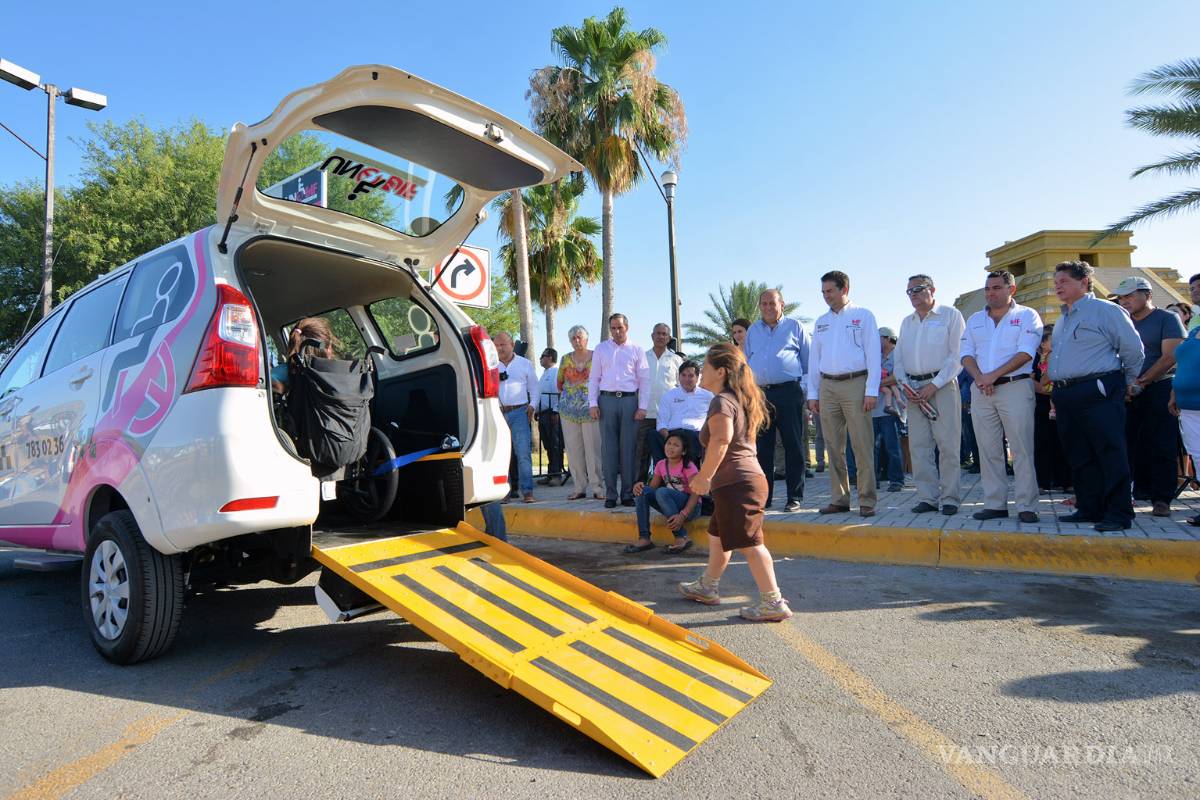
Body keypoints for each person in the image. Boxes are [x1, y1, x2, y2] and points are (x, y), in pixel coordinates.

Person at [678, 343, 792, 622]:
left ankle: (772, 602)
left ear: (720, 371)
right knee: (717, 537)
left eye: (704, 367)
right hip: (740, 482)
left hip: (737, 483)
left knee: (751, 544)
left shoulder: (722, 401)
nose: (700, 372)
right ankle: (708, 586)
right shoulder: (736, 399)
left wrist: (704, 477)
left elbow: (721, 440)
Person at [1047, 261, 1145, 531]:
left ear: (1084, 282)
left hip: (1098, 389)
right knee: (1079, 453)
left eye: (1064, 281)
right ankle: (1089, 507)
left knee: (1109, 451)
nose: (1058, 286)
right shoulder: (1063, 318)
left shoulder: (1106, 311)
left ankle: (1119, 513)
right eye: (1056, 281)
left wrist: (1126, 383)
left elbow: (1133, 350)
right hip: (1067, 393)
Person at [959, 271, 1043, 523]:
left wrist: (991, 376)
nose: (990, 292)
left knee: (1022, 449)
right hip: (982, 390)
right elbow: (965, 354)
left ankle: (1027, 505)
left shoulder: (1027, 316)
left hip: (1015, 387)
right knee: (988, 449)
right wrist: (980, 377)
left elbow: (1026, 353)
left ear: (1011, 290)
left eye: (996, 287)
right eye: (987, 288)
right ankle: (995, 504)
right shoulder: (974, 319)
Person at [807, 271, 881, 517]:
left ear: (844, 288)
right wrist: (813, 393)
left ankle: (867, 499)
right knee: (832, 445)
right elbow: (814, 359)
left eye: (830, 291)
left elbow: (873, 354)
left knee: (861, 443)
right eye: (823, 292)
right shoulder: (820, 322)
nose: (826, 296)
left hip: (856, 383)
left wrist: (871, 390)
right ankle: (839, 499)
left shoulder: (863, 316)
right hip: (827, 386)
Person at [894, 275, 966, 515]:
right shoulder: (907, 322)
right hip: (913, 391)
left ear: (932, 289)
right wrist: (905, 385)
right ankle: (927, 497)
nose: (913, 295)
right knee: (919, 446)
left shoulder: (950, 315)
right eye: (909, 292)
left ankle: (950, 498)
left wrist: (934, 385)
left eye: (918, 289)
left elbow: (958, 356)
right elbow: (899, 359)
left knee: (948, 445)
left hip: (942, 387)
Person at [1114, 276, 1185, 517]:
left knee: (1162, 444)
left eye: (1131, 295)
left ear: (1148, 294)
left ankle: (1162, 498)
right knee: (1128, 444)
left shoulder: (1167, 319)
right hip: (1127, 391)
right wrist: (1126, 386)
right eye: (1122, 297)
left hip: (1159, 388)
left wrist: (1141, 382)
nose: (1125, 301)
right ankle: (1134, 493)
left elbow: (1170, 356)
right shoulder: (1121, 321)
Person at [746, 289, 810, 511]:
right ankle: (764, 497)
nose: (767, 307)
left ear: (782, 304)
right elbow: (746, 361)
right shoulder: (753, 331)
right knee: (763, 449)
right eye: (763, 304)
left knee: (793, 445)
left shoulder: (795, 326)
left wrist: (805, 392)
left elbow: (807, 362)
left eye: (772, 303)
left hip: (789, 392)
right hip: (761, 395)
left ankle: (794, 497)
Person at [588, 313, 650, 508]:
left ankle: (627, 494)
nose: (616, 332)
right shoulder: (601, 349)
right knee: (608, 450)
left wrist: (642, 406)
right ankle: (611, 495)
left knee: (629, 449)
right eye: (613, 328)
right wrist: (593, 403)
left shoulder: (637, 350)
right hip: (606, 401)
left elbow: (644, 380)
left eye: (620, 328)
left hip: (629, 402)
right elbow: (594, 378)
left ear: (627, 328)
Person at [625, 433, 702, 555]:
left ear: (683, 451)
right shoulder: (661, 464)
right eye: (669, 444)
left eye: (676, 445)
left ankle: (681, 537)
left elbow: (696, 494)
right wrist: (639, 486)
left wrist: (683, 515)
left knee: (662, 492)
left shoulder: (689, 466)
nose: (670, 447)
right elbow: (652, 489)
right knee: (643, 492)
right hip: (671, 506)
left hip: (691, 508)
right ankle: (644, 538)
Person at [558, 325, 604, 501]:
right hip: (569, 411)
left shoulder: (597, 357)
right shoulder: (564, 359)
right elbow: (560, 383)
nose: (577, 341)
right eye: (573, 338)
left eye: (579, 337)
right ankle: (579, 487)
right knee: (573, 450)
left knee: (593, 450)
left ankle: (597, 487)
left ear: (586, 339)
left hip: (591, 409)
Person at [492, 332, 538, 503]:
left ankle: (528, 492)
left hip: (520, 412)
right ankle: (504, 492)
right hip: (498, 413)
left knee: (523, 453)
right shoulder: (491, 365)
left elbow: (534, 388)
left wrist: (532, 405)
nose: (500, 348)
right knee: (501, 455)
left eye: (503, 344)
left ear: (512, 344)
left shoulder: (525, 364)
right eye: (496, 345)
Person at [637, 323, 682, 479]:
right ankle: (640, 486)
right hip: (646, 414)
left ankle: (666, 484)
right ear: (652, 336)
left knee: (669, 453)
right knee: (641, 453)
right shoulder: (641, 358)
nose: (661, 336)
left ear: (669, 338)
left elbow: (682, 387)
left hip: (668, 417)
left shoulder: (676, 360)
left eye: (664, 334)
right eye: (658, 333)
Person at [1032, 326, 1071, 492]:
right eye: (1052, 340)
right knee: (1042, 443)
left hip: (1063, 401)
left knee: (1065, 442)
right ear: (1042, 343)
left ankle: (1067, 481)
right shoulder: (1034, 358)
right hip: (1042, 403)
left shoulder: (1064, 354)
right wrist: (1042, 388)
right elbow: (1031, 378)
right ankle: (1042, 482)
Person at [1168, 323, 1200, 525]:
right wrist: (1174, 392)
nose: (1194, 289)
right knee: (1197, 455)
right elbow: (1184, 364)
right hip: (1188, 406)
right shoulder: (1195, 331)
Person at [655, 360, 713, 463]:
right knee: (652, 435)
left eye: (691, 376)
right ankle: (664, 474)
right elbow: (662, 423)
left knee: (690, 436)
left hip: (697, 435)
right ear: (679, 376)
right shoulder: (669, 396)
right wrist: (670, 440)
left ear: (697, 377)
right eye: (684, 375)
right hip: (672, 433)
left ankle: (690, 472)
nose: (687, 379)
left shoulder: (708, 396)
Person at [873, 328, 906, 493]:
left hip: (890, 409)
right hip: (872, 408)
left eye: (878, 338)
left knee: (892, 445)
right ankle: (873, 480)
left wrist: (877, 383)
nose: (875, 341)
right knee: (873, 446)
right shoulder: (874, 356)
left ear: (887, 339)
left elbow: (897, 376)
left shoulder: (898, 354)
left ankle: (897, 480)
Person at [271, 317, 339, 393]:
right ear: (327, 348)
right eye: (330, 345)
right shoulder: (334, 373)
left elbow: (269, 377)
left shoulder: (290, 369)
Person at [535, 348, 566, 487]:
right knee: (548, 445)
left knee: (555, 445)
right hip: (543, 413)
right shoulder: (544, 373)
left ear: (550, 357)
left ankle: (556, 475)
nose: (540, 358)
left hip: (551, 414)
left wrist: (556, 411)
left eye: (543, 356)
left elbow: (558, 392)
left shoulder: (555, 372)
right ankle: (550, 473)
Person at [958, 369, 979, 472]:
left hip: (970, 397)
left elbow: (965, 379)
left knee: (973, 433)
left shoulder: (966, 366)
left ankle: (978, 464)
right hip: (967, 396)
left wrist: (967, 402)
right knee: (970, 433)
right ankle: (976, 462)